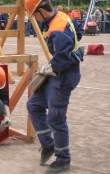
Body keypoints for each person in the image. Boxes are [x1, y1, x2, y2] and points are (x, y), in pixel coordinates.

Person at [25, 0, 84, 173]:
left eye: (34, 15)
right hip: (58, 72)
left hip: (64, 75)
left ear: (41, 11)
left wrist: (51, 67)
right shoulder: (62, 17)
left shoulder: (57, 29)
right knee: (33, 105)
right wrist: (75, 50)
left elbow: (64, 60)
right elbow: (78, 31)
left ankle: (63, 159)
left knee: (56, 118)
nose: (34, 19)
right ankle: (48, 145)